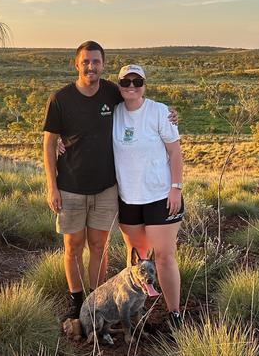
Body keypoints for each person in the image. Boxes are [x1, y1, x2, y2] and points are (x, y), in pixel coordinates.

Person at [43, 42, 177, 320]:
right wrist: (51, 185)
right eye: (86, 62)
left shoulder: (111, 92)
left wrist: (171, 113)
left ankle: (96, 299)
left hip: (106, 188)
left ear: (103, 65)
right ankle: (76, 301)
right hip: (70, 186)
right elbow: (49, 141)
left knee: (99, 248)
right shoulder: (61, 98)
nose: (91, 66)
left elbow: (138, 99)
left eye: (96, 62)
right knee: (73, 247)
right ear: (76, 64)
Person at [112, 64, 184, 328]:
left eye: (137, 81)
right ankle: (137, 311)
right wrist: (61, 141)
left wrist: (176, 187)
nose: (131, 86)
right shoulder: (113, 113)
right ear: (119, 85)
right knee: (138, 259)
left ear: (144, 84)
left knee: (164, 256)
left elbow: (175, 153)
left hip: (160, 196)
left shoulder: (160, 112)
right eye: (126, 82)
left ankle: (174, 313)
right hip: (128, 199)